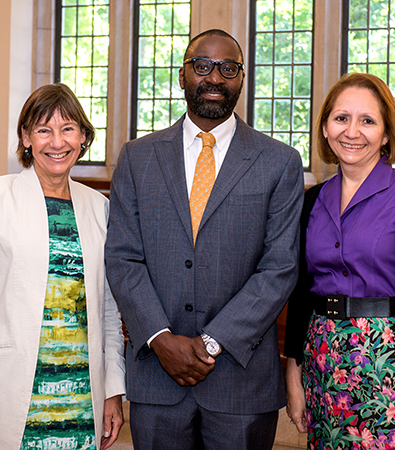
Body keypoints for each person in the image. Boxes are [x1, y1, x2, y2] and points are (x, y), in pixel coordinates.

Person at [105, 29, 304, 450]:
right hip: (157, 374)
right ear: (182, 75)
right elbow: (123, 258)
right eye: (203, 65)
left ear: (241, 79)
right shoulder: (138, 157)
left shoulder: (280, 162)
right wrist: (160, 339)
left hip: (241, 378)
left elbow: (280, 267)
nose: (215, 77)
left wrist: (211, 343)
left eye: (228, 68)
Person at [0, 83, 126, 450]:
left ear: (83, 137)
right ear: (26, 138)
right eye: (44, 130)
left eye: (68, 128)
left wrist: (112, 390)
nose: (57, 142)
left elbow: (108, 310)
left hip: (79, 390)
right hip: (9, 387)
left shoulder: (99, 207)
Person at [284, 72, 395, 450]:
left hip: (389, 367)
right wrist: (293, 374)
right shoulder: (312, 201)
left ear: (386, 134)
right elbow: (299, 296)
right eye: (341, 118)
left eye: (368, 120)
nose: (352, 131)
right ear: (326, 129)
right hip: (322, 365)